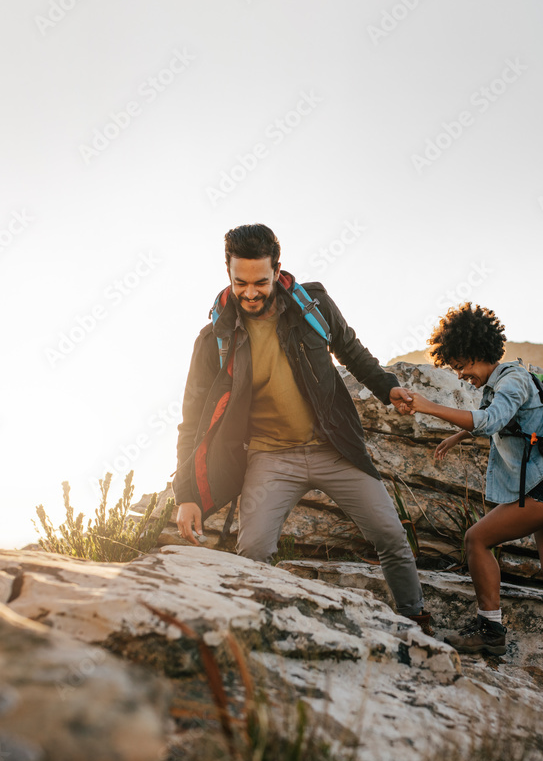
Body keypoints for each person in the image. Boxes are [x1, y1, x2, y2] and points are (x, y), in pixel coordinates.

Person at [172, 223, 431, 632]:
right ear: (228, 273)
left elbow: (352, 351)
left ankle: (415, 618)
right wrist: (186, 494)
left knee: (390, 534)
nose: (250, 292)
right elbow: (191, 420)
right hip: (269, 456)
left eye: (260, 281)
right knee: (253, 549)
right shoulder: (213, 339)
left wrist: (389, 388)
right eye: (241, 282)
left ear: (277, 270)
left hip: (333, 447)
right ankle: (251, 631)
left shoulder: (314, 306)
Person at [397, 302, 543, 703]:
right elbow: (492, 416)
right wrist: (455, 438)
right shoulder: (504, 380)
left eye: (462, 364)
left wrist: (429, 407)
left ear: (478, 350)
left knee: (477, 539)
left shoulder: (512, 379)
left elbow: (489, 421)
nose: (461, 373)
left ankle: (490, 632)